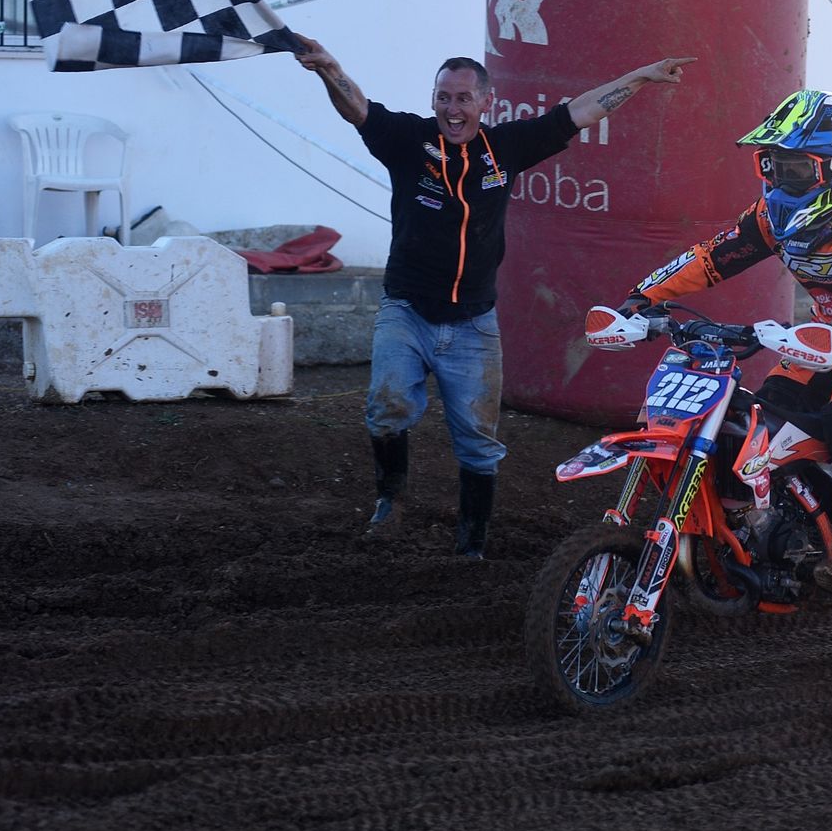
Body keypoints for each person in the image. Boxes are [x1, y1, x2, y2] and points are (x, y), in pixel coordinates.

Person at [293, 34, 693, 556]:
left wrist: (642, 75)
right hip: (406, 311)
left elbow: (579, 112)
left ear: (487, 102)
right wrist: (328, 67)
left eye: (463, 99)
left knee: (479, 444)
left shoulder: (504, 147)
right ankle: (390, 500)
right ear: (432, 98)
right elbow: (359, 110)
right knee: (386, 406)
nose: (451, 109)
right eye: (443, 97)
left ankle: (472, 544)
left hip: (473, 324)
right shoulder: (407, 140)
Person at [617, 89, 832, 608]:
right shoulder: (771, 217)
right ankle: (776, 523)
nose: (781, 179)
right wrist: (643, 295)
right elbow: (711, 258)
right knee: (761, 417)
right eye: (773, 164)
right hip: (822, 336)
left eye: (796, 169)